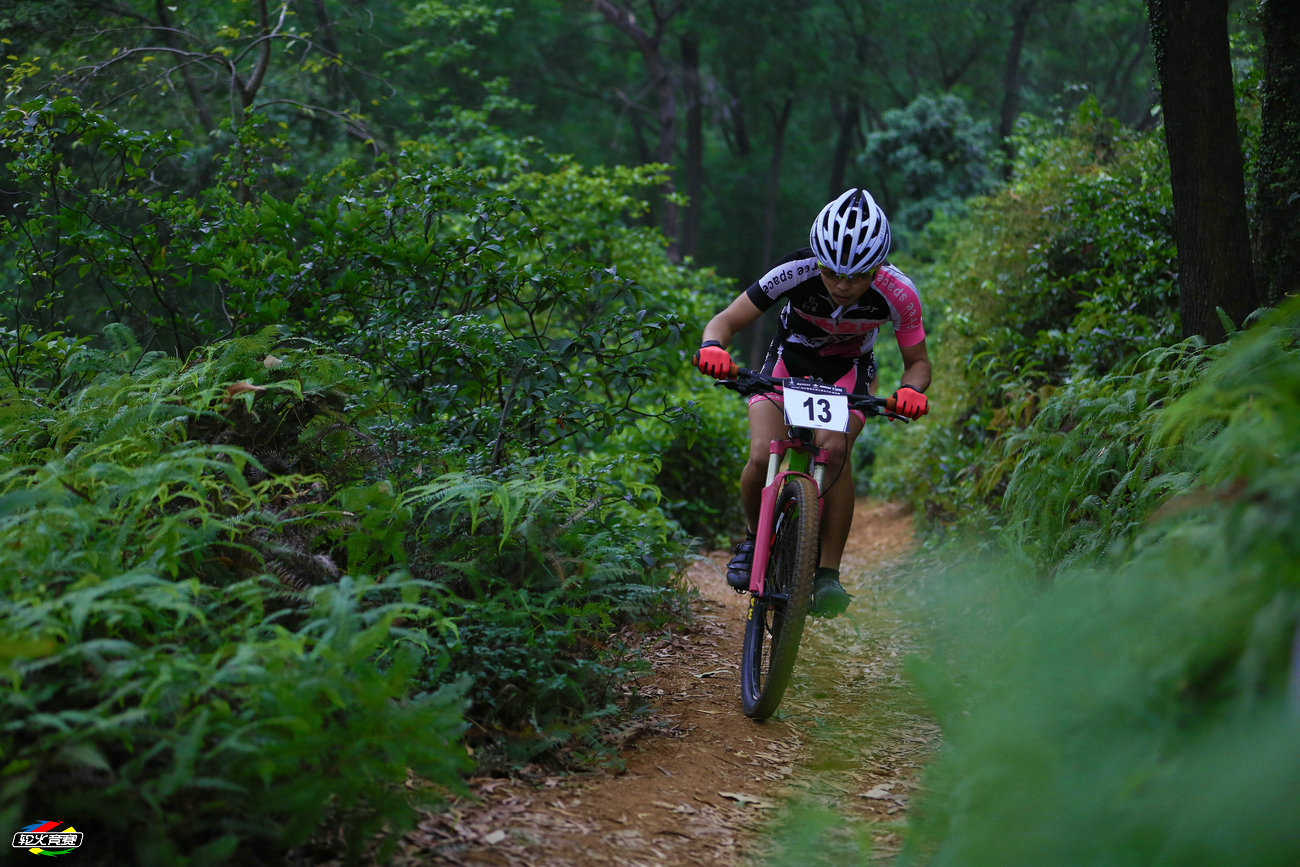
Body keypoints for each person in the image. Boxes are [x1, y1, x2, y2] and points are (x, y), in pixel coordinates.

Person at [691, 188, 931, 617]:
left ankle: (826, 575)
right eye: (832, 272)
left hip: (848, 372)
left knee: (835, 450)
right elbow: (725, 321)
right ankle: (751, 540)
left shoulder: (899, 293)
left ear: (877, 267)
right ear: (817, 259)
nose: (842, 285)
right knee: (762, 451)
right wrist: (713, 347)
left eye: (858, 276)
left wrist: (911, 391)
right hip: (786, 363)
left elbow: (917, 363)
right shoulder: (793, 270)